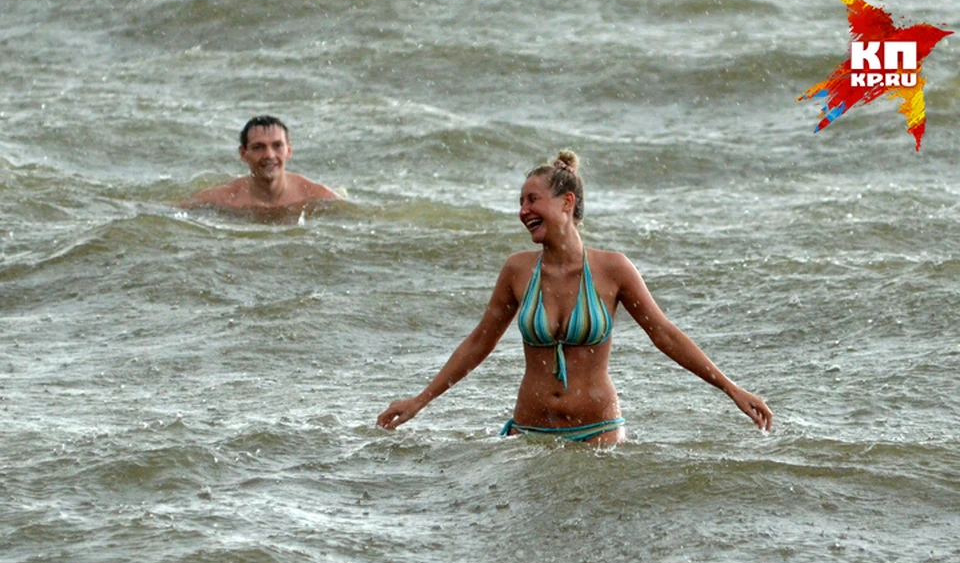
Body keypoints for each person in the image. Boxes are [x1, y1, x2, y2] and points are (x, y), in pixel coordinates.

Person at [377, 150, 773, 445]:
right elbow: (480, 341)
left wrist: (731, 388)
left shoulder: (613, 270)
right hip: (530, 434)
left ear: (566, 203)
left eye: (532, 200)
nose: (523, 211)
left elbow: (665, 335)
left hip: (598, 434)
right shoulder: (518, 271)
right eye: (520, 202)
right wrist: (420, 400)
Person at [180, 116, 340, 215]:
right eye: (258, 147)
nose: (269, 155)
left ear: (289, 151)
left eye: (277, 146)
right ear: (243, 154)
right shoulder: (224, 199)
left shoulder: (317, 196)